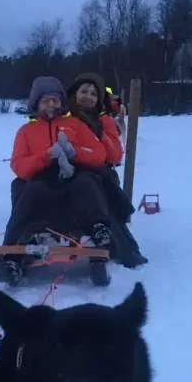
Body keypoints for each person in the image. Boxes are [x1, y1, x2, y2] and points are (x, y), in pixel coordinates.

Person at [3, 77, 115, 280]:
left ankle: (99, 230)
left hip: (73, 178)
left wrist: (75, 152)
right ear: (37, 102)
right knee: (31, 190)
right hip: (41, 182)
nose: (52, 104)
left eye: (55, 99)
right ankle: (13, 253)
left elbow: (99, 154)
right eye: (46, 100)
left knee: (87, 183)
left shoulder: (75, 124)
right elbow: (19, 166)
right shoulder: (26, 131)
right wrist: (45, 156)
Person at [66, 73, 147, 267]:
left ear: (99, 98)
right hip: (69, 172)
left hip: (99, 174)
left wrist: (98, 133)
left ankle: (109, 237)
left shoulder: (106, 122)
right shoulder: (65, 118)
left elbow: (115, 155)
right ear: (74, 94)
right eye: (83, 91)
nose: (88, 96)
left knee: (95, 188)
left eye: (93, 93)